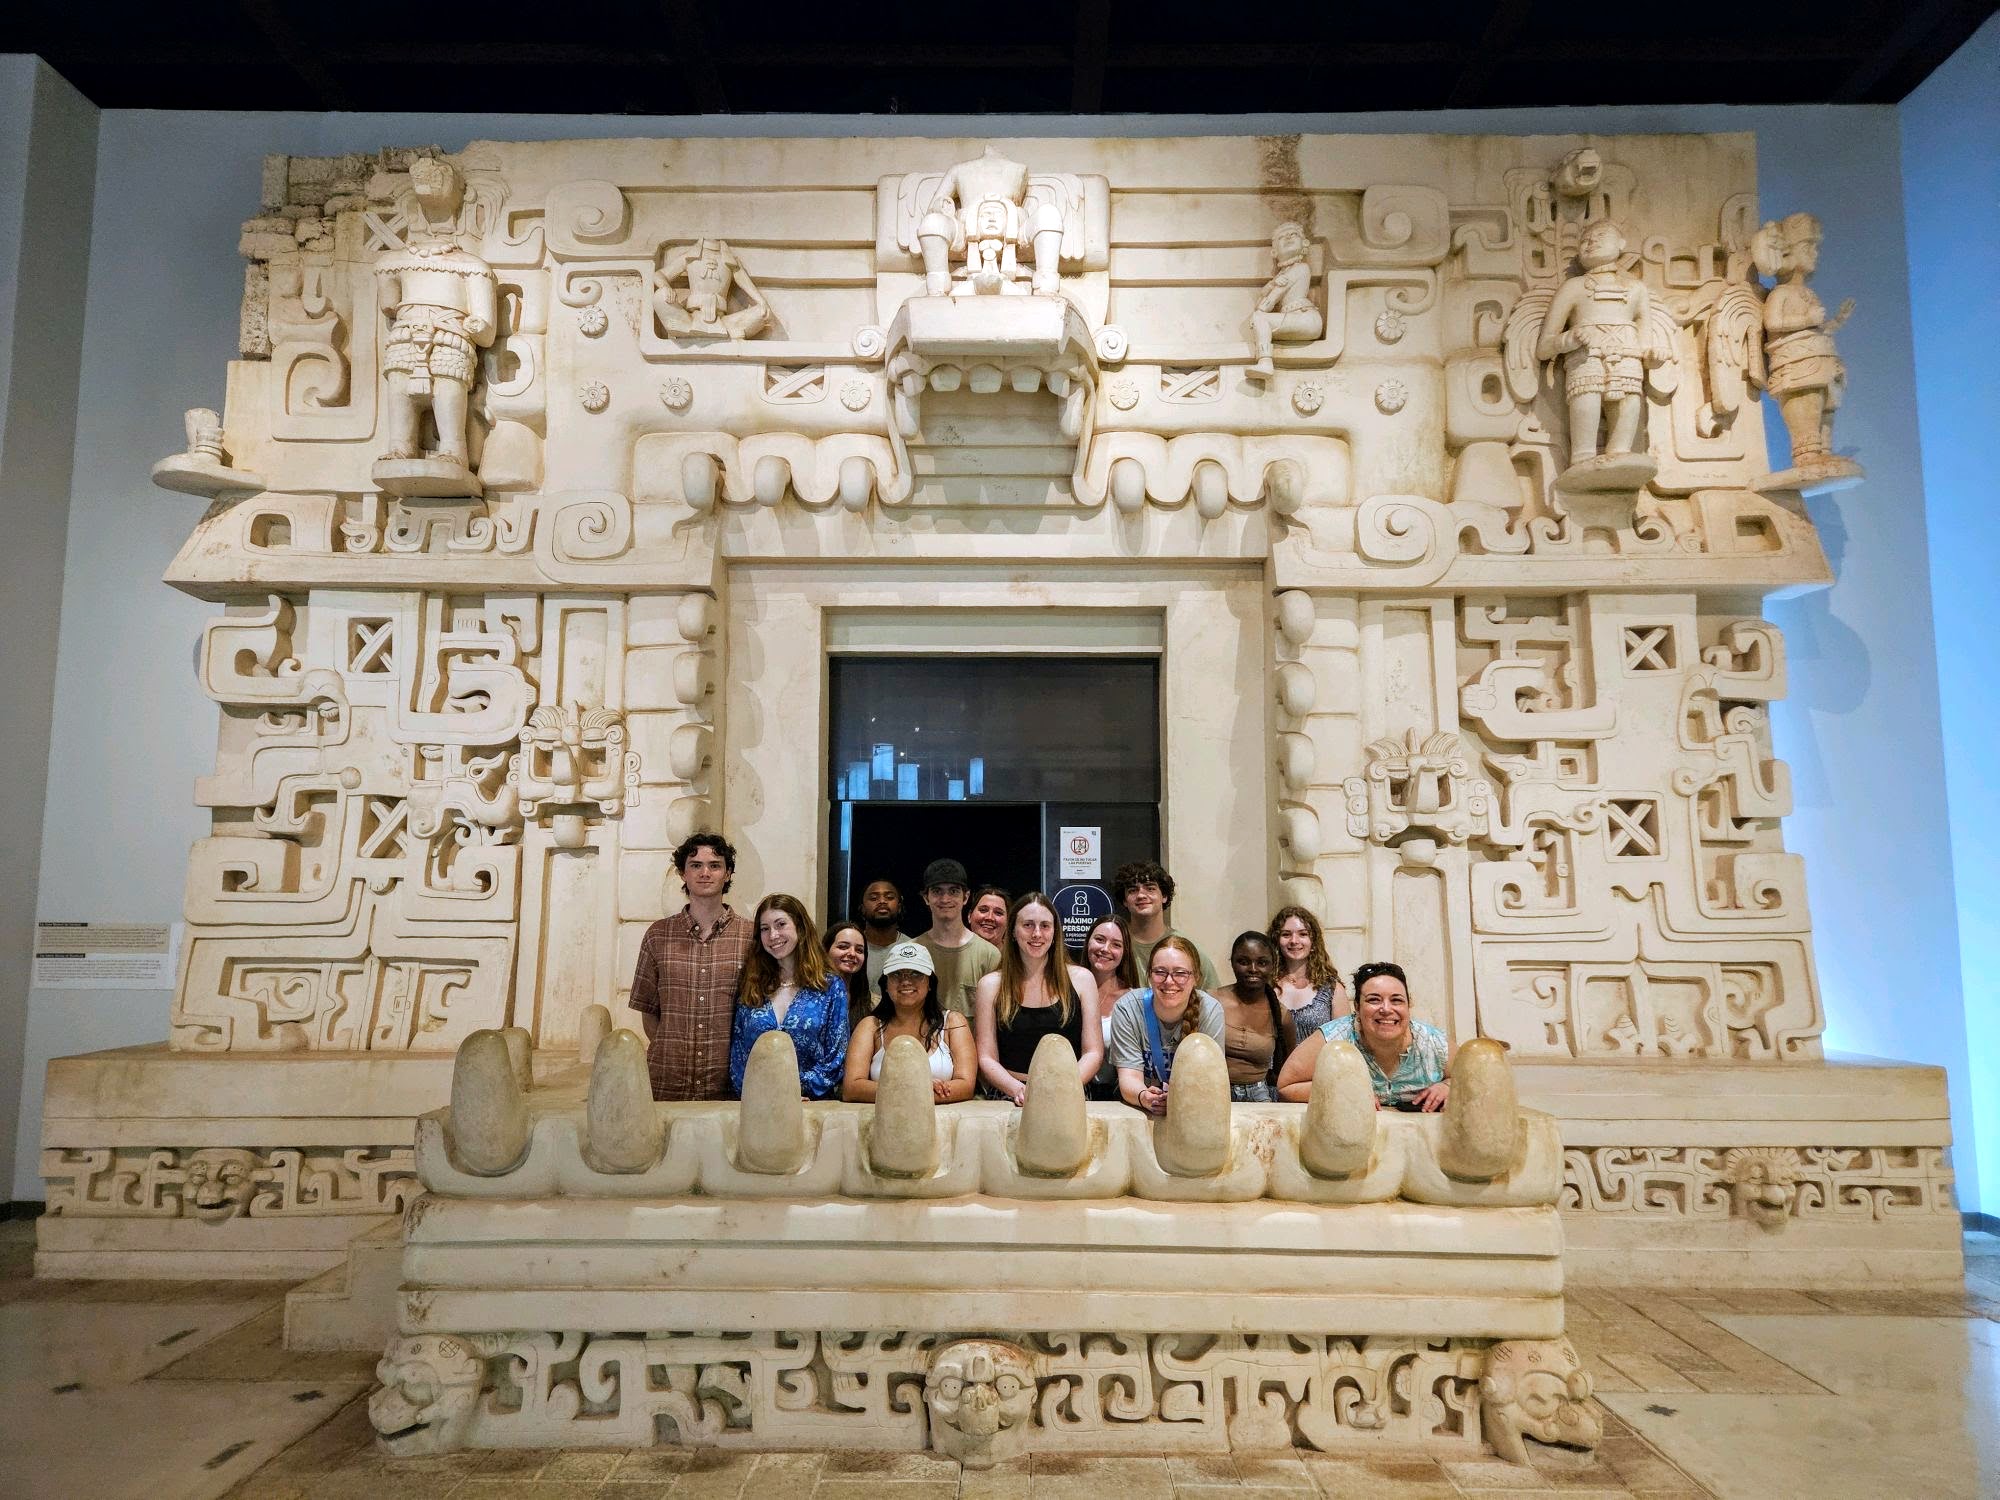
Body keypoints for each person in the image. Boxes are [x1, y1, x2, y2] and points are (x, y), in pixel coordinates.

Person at [628, 832, 755, 1101]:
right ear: (683, 873)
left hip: (727, 1085)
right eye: (696, 865)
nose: (705, 873)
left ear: (728, 874)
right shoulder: (658, 935)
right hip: (667, 1081)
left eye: (715, 865)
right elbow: (648, 1013)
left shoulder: (751, 936)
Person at [972, 892, 1103, 1105]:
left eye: (1045, 926)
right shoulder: (990, 985)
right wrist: (1018, 1090)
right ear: (1013, 931)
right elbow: (986, 1058)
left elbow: (1093, 1053)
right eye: (1028, 925)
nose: (1037, 934)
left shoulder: (1082, 979)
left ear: (1055, 932)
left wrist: (1064, 1087)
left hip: (1068, 1094)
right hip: (1010, 1095)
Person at [1276, 961, 1451, 1111]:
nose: (1386, 1009)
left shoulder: (1432, 1042)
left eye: (1396, 1000)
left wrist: (1448, 1086)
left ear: (1408, 1005)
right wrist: (1340, 1091)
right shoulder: (1334, 1038)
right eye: (1374, 1000)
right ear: (1358, 1007)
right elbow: (1285, 1086)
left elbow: (1464, 1078)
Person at [728, 894, 850, 1100]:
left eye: (781, 924)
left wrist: (792, 1090)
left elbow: (836, 1057)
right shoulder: (752, 984)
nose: (773, 935)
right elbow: (738, 1056)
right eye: (764, 929)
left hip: (812, 1106)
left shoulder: (829, 986)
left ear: (800, 928)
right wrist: (762, 1094)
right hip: (758, 1105)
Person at [841, 941, 976, 1104]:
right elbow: (852, 1089)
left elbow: (966, 1085)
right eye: (896, 974)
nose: (905, 981)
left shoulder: (953, 1023)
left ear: (930, 983)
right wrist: (915, 1089)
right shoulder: (870, 1026)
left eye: (916, 973)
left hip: (942, 1120)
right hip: (885, 1119)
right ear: (886, 984)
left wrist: (905, 1093)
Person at [1106, 935, 1225, 1117]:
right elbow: (1129, 1077)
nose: (1169, 981)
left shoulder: (1210, 1011)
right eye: (1160, 972)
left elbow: (1210, 1080)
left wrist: (1179, 1101)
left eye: (1180, 973)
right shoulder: (1127, 1008)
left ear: (1196, 978)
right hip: (1141, 1109)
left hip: (1191, 1111)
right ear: (1149, 975)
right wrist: (1145, 1097)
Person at [1214, 931, 1296, 1103]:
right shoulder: (1212, 1001)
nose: (1253, 969)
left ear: (1273, 965)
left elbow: (1289, 1067)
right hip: (1214, 1090)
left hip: (1258, 1094)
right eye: (1243, 962)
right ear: (1232, 962)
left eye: (1262, 963)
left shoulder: (1281, 1015)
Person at [1111, 859, 1217, 989]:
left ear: (1164, 896)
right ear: (1124, 900)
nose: (1141, 895)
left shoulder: (1187, 947)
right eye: (1133, 890)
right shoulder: (1112, 944)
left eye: (1150, 888)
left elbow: (1211, 996)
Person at [915, 858, 1001, 1018]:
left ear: (966, 897)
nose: (945, 899)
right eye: (937, 891)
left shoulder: (990, 955)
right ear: (926, 897)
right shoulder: (913, 951)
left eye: (953, 891)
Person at [1268, 904, 1350, 1038]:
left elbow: (1344, 1040)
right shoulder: (1267, 986)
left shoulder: (1332, 989)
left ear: (1313, 942)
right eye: (1286, 934)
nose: (1294, 941)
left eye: (1303, 934)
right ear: (1276, 941)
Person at [1081, 914, 1139, 1099]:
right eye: (1099, 939)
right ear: (1088, 942)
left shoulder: (1133, 1000)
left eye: (1116, 944)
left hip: (1117, 1098)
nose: (1105, 949)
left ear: (1125, 952)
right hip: (1071, 1090)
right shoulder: (1066, 991)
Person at [857, 877, 910, 989]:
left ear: (899, 907)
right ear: (862, 908)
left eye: (889, 897)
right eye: (873, 898)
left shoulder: (912, 948)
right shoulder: (851, 950)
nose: (882, 901)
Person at [824, 920, 871, 1029]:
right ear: (826, 950)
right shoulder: (808, 993)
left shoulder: (871, 1002)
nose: (852, 953)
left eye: (859, 950)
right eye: (843, 947)